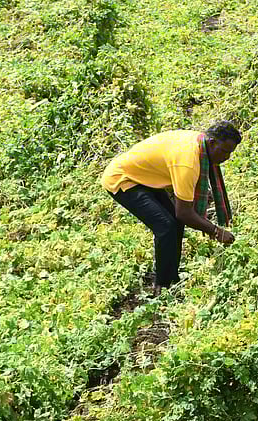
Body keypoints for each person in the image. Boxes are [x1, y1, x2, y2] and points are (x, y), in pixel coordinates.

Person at [101, 120, 240, 294]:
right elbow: (184, 213)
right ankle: (162, 287)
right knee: (165, 226)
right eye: (225, 151)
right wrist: (216, 231)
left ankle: (172, 276)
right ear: (212, 143)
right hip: (124, 179)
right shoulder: (188, 162)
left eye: (230, 153)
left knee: (174, 222)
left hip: (146, 175)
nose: (227, 157)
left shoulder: (200, 143)